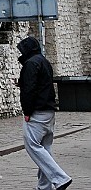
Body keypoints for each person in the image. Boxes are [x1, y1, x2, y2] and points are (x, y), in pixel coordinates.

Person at [17, 36, 72, 190]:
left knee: (33, 146)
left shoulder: (30, 64)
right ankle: (44, 186)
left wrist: (27, 111)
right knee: (45, 149)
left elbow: (29, 90)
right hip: (49, 111)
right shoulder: (43, 61)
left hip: (37, 112)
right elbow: (41, 84)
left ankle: (60, 178)